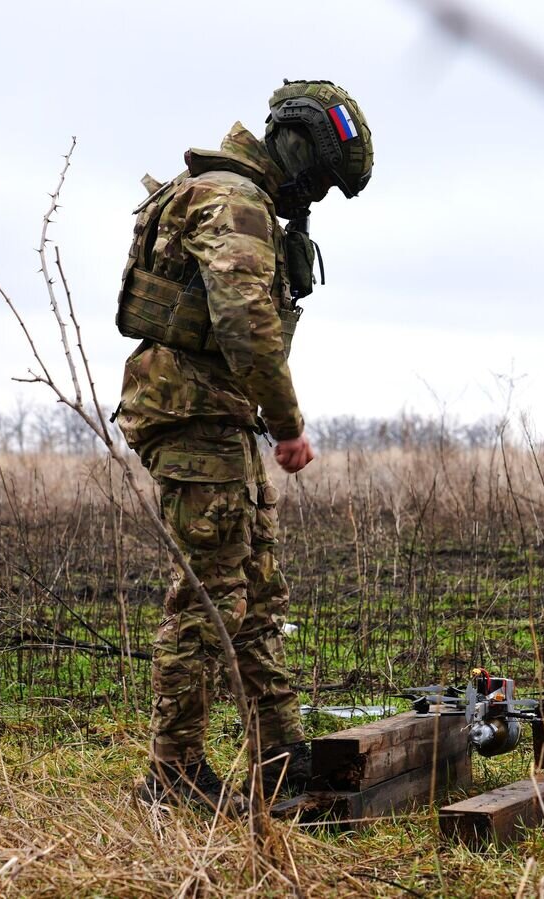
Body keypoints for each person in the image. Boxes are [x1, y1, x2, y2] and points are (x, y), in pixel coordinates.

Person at [114, 79, 374, 811]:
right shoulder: (234, 201)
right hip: (193, 413)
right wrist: (288, 423)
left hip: (218, 415)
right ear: (295, 147)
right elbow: (244, 324)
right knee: (208, 594)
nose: (314, 197)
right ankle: (170, 775)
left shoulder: (239, 197)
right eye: (318, 178)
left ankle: (280, 753)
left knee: (256, 589)